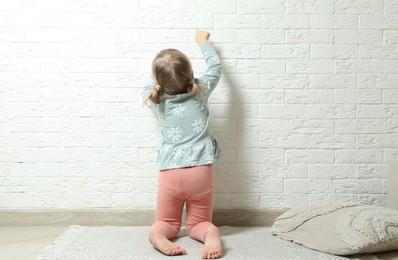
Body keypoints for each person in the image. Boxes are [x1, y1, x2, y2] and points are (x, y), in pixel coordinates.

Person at [140, 30, 223, 259]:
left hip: (170, 173)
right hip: (200, 172)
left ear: (158, 82)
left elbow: (146, 88)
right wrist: (203, 42)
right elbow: (215, 67)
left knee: (166, 222)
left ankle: (159, 234)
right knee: (199, 223)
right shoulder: (201, 90)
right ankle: (210, 233)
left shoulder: (156, 100)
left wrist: (156, 79)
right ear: (191, 75)